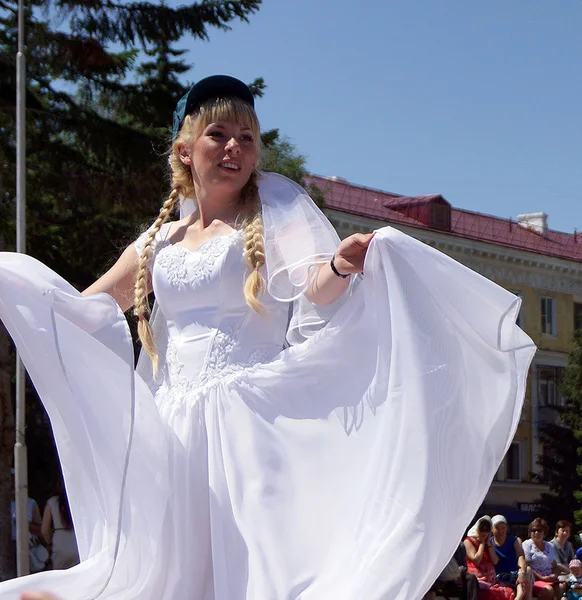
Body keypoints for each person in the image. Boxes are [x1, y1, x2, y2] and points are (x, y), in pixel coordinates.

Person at [0, 75, 536, 599]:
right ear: (186, 149)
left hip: (247, 423)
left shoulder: (273, 209)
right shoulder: (160, 238)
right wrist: (17, 290)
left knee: (257, 570)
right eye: (218, 135)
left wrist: (340, 264)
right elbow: (90, 306)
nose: (234, 147)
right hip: (170, 426)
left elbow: (316, 293)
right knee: (170, 572)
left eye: (247, 138)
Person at [464, 516, 515, 599]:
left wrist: (488, 544)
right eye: (482, 529)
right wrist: (481, 544)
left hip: (491, 579)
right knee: (489, 593)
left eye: (487, 530)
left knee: (508, 592)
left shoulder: (489, 543)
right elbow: (476, 560)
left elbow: (495, 561)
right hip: (478, 579)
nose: (484, 532)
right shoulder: (468, 541)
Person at [522, 518, 566, 599]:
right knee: (548, 590)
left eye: (539, 530)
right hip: (534, 579)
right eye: (533, 530)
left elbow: (554, 566)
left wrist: (555, 575)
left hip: (550, 579)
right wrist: (542, 578)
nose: (536, 532)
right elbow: (526, 566)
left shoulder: (549, 546)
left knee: (562, 588)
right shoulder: (526, 545)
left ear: (544, 532)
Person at [41, 479, 80, 570]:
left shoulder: (52, 502)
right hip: (76, 541)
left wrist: (50, 542)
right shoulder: (78, 502)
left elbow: (44, 530)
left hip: (60, 541)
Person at [491, 514, 532, 600]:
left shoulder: (514, 540)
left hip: (514, 573)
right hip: (498, 575)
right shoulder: (489, 543)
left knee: (527, 571)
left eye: (503, 527)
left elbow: (520, 556)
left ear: (506, 528)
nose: (500, 531)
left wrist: (522, 572)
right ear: (492, 529)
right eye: (497, 528)